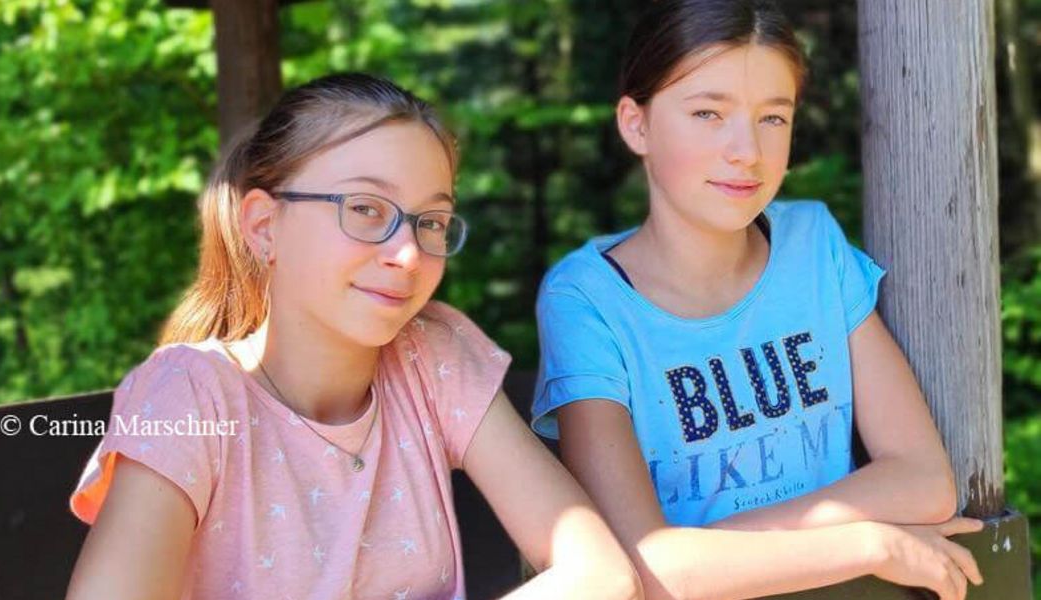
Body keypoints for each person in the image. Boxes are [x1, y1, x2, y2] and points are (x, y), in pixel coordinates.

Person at [66, 73, 641, 600]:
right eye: (366, 209)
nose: (408, 254)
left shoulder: (431, 357)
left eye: (431, 222)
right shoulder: (189, 396)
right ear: (264, 227)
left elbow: (603, 577)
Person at [531, 2, 983, 599]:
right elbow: (640, 568)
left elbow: (925, 481)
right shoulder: (586, 300)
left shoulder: (812, 244)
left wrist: (700, 553)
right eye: (708, 113)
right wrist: (869, 543)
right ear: (636, 125)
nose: (747, 150)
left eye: (773, 117)